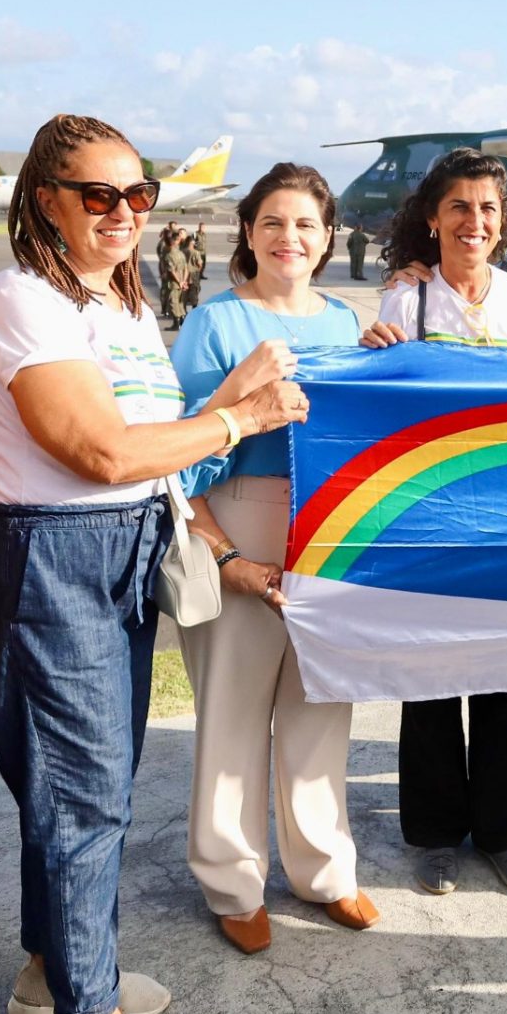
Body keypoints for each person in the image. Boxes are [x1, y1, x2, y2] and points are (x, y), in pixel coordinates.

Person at [0, 115, 304, 1014]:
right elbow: (102, 452)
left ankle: (53, 973)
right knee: (84, 794)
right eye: (100, 195)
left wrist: (232, 398)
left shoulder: (120, 303)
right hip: (58, 551)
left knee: (80, 783)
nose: (125, 212)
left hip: (126, 547)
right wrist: (239, 416)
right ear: (45, 199)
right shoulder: (26, 299)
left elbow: (163, 445)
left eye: (139, 194)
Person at [172, 163, 379, 956]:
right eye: (273, 223)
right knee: (233, 711)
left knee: (321, 704)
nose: (289, 237)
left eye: (305, 225)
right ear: (248, 233)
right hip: (241, 515)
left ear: (328, 239)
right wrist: (223, 552)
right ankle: (233, 882)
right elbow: (179, 449)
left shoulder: (346, 322)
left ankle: (323, 871)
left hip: (329, 525)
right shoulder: (214, 323)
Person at [362, 147, 507, 900]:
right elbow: (382, 405)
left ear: (503, 222)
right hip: (428, 514)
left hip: (505, 516)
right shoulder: (405, 300)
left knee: (503, 678)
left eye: (487, 209)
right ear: (433, 219)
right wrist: (372, 354)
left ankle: (503, 834)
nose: (473, 221)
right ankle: (437, 834)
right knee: (431, 679)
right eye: (458, 207)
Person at [165, 230, 190, 331]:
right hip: (182, 281)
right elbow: (186, 269)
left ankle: (176, 324)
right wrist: (184, 281)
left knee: (173, 302)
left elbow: (172, 271)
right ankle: (182, 321)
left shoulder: (170, 255)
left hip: (174, 283)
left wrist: (179, 281)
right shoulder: (181, 254)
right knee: (180, 302)